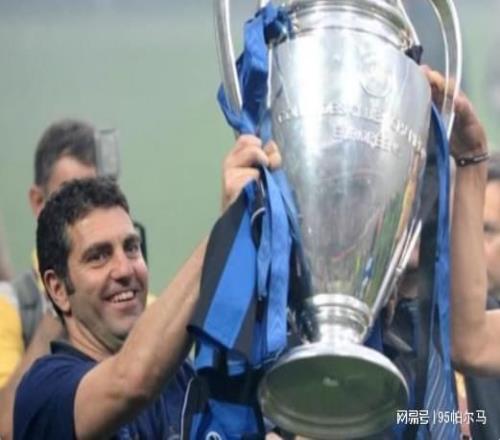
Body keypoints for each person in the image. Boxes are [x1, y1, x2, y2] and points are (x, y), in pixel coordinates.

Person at [12, 135, 281, 438]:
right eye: (98, 256)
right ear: (58, 289)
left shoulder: (180, 378)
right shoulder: (44, 392)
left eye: (131, 247)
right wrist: (228, 227)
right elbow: (130, 381)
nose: (125, 269)